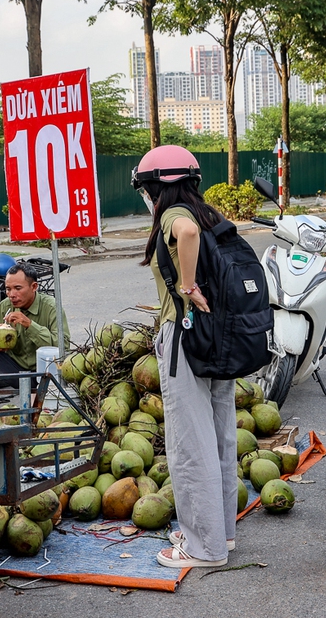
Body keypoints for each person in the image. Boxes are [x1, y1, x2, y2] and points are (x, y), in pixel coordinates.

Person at [132, 145, 237, 569]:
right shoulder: (210, 214)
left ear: (159, 187)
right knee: (220, 435)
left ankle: (203, 548)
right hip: (220, 336)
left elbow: (185, 237)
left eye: (147, 188)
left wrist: (188, 287)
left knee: (190, 443)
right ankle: (222, 534)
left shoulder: (177, 217)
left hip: (185, 336)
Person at [0, 262, 70, 391]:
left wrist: (30, 325)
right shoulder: (5, 306)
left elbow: (63, 346)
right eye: (8, 289)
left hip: (44, 372)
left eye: (17, 288)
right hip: (15, 370)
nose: (11, 294)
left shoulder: (51, 307)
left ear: (34, 287)